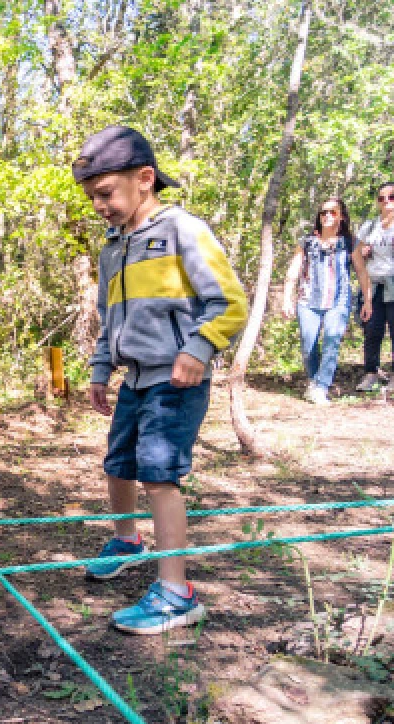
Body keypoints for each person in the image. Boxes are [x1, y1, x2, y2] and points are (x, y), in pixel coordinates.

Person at [74, 125, 248, 635]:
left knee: (158, 474)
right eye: (92, 197)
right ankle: (127, 541)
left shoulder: (182, 231)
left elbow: (229, 302)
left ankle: (176, 591)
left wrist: (199, 348)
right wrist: (100, 368)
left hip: (176, 380)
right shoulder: (113, 248)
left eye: (106, 193)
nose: (99, 205)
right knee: (117, 464)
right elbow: (111, 319)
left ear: (145, 179)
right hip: (134, 380)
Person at [280, 197, 362, 404]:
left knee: (332, 341)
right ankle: (313, 381)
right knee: (308, 346)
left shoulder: (350, 242)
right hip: (308, 301)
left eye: (332, 212)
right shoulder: (307, 242)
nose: (326, 216)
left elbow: (362, 272)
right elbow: (293, 271)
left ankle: (321, 387)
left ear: (341, 216)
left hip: (339, 300)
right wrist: (286, 299)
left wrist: (367, 300)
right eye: (323, 212)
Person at [354, 181, 394, 392]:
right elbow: (356, 255)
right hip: (374, 285)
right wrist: (363, 256)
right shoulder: (370, 226)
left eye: (391, 197)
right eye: (382, 198)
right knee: (372, 329)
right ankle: (371, 373)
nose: (386, 201)